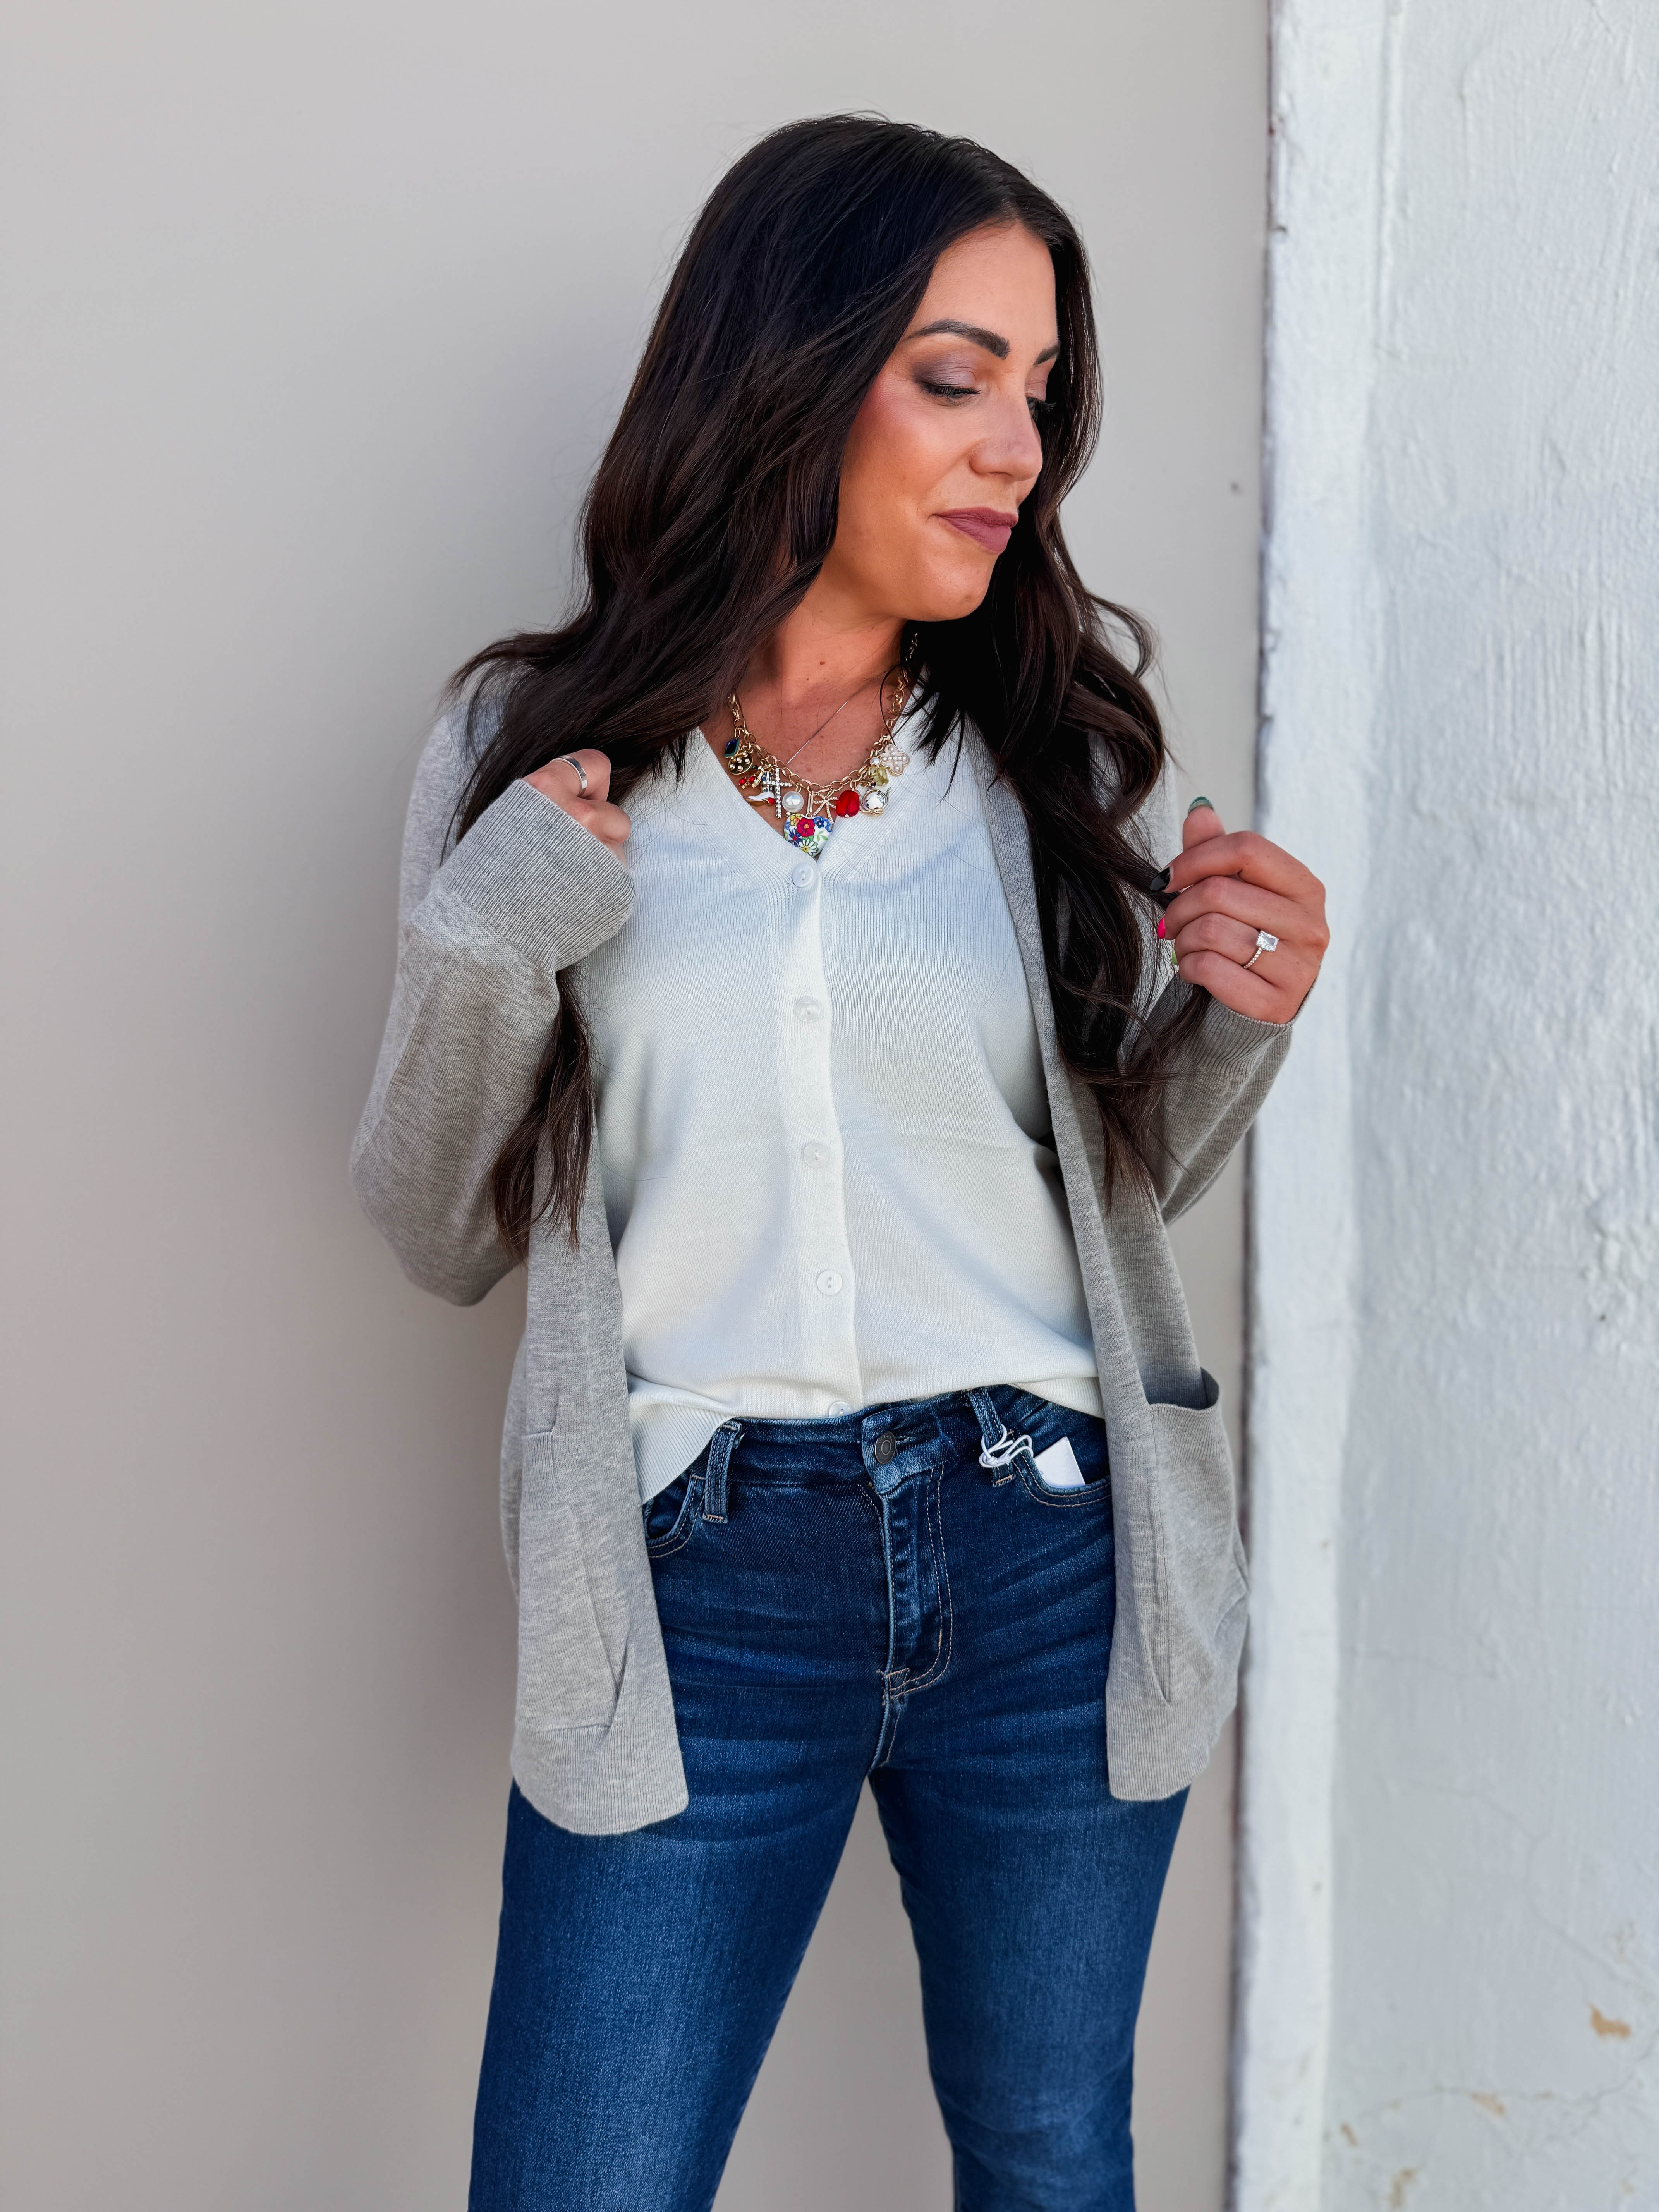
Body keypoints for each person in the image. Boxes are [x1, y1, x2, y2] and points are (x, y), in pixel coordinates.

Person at [352, 115, 1327, 2212]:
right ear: (787, 371)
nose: (1018, 450)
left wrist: (1236, 1019)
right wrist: (491, 938)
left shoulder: (1058, 749)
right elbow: (437, 1227)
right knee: (582, 2181)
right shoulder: (536, 754)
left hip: (1049, 1537)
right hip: (700, 1574)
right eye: (956, 376)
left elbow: (1122, 1189)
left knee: (1050, 2158)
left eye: (1040, 392)